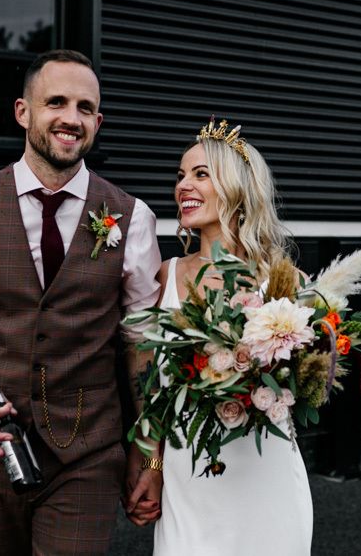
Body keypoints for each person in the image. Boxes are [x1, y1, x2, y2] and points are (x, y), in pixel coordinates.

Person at [0, 49, 162, 555]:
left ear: (98, 121)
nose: (72, 118)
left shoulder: (133, 219)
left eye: (86, 108)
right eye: (57, 102)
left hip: (88, 453)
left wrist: (150, 452)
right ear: (23, 112)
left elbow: (143, 343)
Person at [125, 120, 313, 554]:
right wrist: (151, 463)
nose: (183, 186)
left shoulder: (286, 283)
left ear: (237, 188)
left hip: (266, 473)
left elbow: (311, 383)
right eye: (180, 175)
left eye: (200, 174)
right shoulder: (165, 276)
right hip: (188, 470)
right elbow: (148, 386)